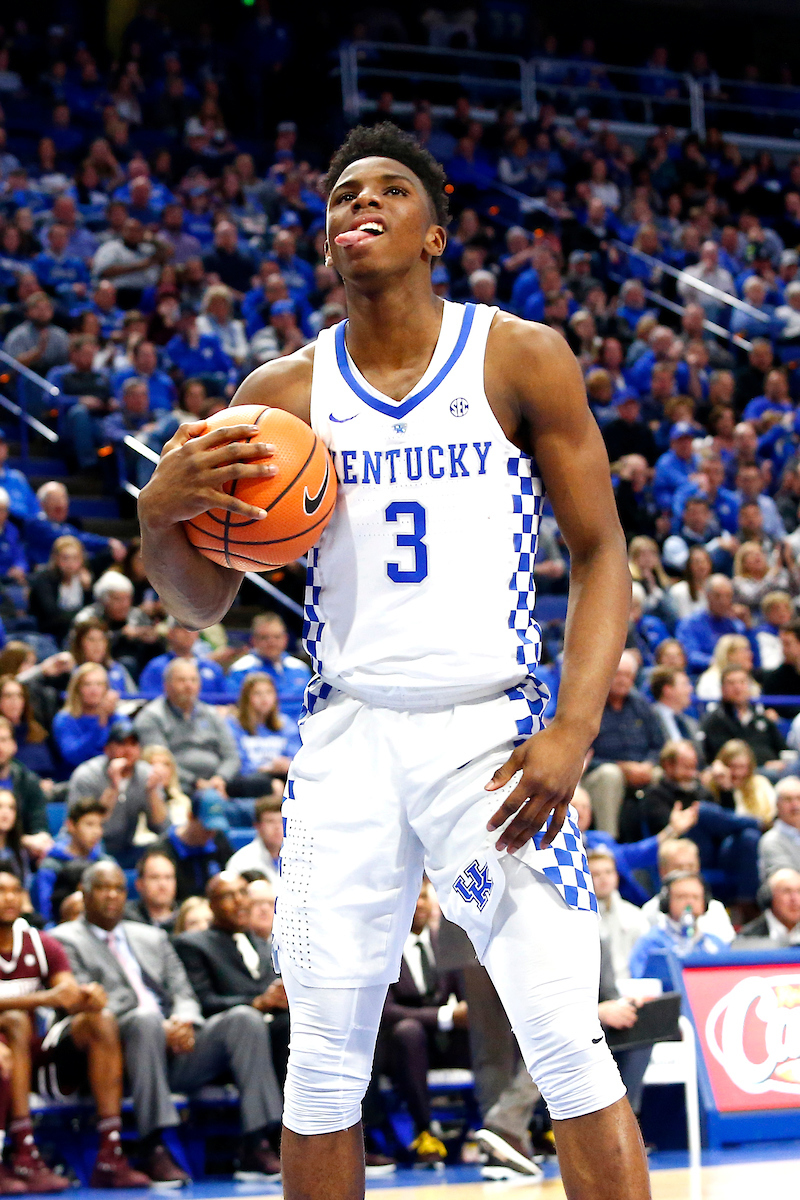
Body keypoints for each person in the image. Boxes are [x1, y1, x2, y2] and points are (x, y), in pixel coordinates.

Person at [138, 123, 649, 1199]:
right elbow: (203, 606)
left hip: (492, 734)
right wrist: (158, 526)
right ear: (324, 243)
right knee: (322, 1065)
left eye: (386, 189)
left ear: (434, 230)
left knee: (564, 1042)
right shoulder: (276, 393)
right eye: (340, 197)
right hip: (348, 739)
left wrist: (572, 729)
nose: (357, 204)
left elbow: (601, 552)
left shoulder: (518, 354)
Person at [54, 860, 282, 1184]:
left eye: (118, 888)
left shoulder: (151, 936)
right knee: (146, 1020)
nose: (111, 896)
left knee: (244, 1018)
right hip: (118, 1054)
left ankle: (257, 1140)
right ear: (85, 893)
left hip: (176, 1047)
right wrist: (160, 1026)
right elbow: (87, 1000)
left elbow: (183, 991)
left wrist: (184, 1021)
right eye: (103, 888)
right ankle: (154, 1145)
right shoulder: (63, 939)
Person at [0, 870, 150, 1190]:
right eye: (1, 891)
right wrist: (42, 998)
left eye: (15, 890)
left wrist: (87, 996)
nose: (9, 898)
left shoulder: (42, 945)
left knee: (101, 1020)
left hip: (38, 1054)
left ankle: (110, 1153)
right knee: (13, 1023)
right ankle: (23, 1154)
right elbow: (51, 996)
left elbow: (66, 993)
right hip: (7, 1051)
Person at [172, 872, 286, 1160]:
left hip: (266, 1039)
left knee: (294, 1027)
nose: (239, 902)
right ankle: (258, 1139)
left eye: (242, 894)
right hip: (216, 1042)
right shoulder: (193, 944)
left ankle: (311, 1133)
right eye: (227, 896)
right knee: (246, 1019)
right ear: (211, 906)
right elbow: (202, 1002)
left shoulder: (263, 943)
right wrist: (258, 1002)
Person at [375, 878, 468, 1166]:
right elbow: (386, 1011)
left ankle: (510, 1126)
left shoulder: (446, 943)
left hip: (443, 1041)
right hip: (397, 1045)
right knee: (408, 1031)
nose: (419, 904)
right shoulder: (382, 946)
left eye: (424, 896)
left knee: (495, 1028)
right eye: (411, 896)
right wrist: (444, 1016)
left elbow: (465, 998)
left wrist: (468, 1012)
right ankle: (424, 1131)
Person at [581, 650, 665, 836]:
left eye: (627, 675)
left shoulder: (642, 705)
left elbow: (658, 745)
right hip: (598, 773)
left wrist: (648, 765)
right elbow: (580, 755)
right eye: (617, 674)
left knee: (661, 775)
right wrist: (621, 767)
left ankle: (664, 840)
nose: (622, 680)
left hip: (642, 768)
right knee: (611, 775)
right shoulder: (590, 706)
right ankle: (607, 841)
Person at [65, 720, 169, 866]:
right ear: (107, 749)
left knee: (163, 850)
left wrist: (152, 792)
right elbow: (83, 825)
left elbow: (161, 826)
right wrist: (114, 787)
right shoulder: (87, 775)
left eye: (133, 744)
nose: (128, 750)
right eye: (122, 744)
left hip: (125, 848)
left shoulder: (146, 774)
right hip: (88, 848)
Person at [134, 659, 239, 797]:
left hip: (218, 781)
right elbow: (159, 761)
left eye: (193, 680)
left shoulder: (212, 714)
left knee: (263, 786)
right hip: (178, 784)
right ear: (166, 685)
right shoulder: (151, 717)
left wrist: (220, 778)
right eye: (182, 680)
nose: (188, 686)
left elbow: (232, 756)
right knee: (209, 798)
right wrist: (196, 782)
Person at [629, 872, 727, 986]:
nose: (689, 902)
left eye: (695, 897)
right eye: (682, 897)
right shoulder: (650, 943)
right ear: (666, 902)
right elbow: (640, 984)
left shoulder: (715, 945)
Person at [32, 797, 110, 926]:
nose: (97, 832)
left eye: (100, 825)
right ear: (71, 825)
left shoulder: (105, 863)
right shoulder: (50, 866)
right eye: (89, 824)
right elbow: (45, 914)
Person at [639, 839, 735, 943]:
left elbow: (724, 951)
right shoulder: (650, 911)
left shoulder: (715, 909)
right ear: (663, 871)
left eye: (691, 867)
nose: (686, 873)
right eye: (678, 868)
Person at [149, 792, 233, 903]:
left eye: (215, 828)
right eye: (206, 828)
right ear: (190, 817)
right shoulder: (163, 850)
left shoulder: (219, 840)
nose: (211, 833)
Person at [226, 614, 311, 724]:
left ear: (286, 638)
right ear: (253, 640)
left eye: (277, 637)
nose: (271, 642)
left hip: (300, 729)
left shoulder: (300, 669)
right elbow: (235, 708)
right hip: (258, 731)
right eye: (264, 637)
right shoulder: (240, 670)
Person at [699, 667, 786, 769]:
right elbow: (724, 757)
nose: (738, 687)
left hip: (775, 770)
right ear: (722, 689)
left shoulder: (762, 718)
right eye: (731, 683)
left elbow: (783, 749)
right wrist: (763, 765)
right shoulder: (715, 721)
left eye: (742, 682)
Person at [226, 672, 300, 789]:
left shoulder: (286, 724)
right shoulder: (233, 725)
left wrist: (286, 763)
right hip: (248, 780)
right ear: (246, 697)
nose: (264, 698)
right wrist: (266, 768)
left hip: (282, 776)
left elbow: (296, 756)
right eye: (257, 693)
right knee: (275, 787)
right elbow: (236, 761)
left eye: (269, 692)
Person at [587, 849, 649, 982]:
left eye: (608, 872)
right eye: (596, 874)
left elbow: (645, 957)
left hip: (632, 986)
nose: (603, 878)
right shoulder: (579, 918)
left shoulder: (635, 915)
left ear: (616, 876)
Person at [0, 720, 52, 867]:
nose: (0, 746)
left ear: (14, 745)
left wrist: (41, 840)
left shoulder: (28, 781)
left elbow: (39, 824)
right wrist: (24, 840)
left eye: (4, 740)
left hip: (21, 853)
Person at [52, 663, 120, 773]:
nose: (94, 690)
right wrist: (99, 725)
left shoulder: (117, 717)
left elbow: (127, 751)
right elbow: (73, 756)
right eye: (87, 684)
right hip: (74, 776)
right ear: (77, 689)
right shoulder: (65, 719)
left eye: (99, 684)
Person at [675, 575, 750, 674]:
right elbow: (690, 656)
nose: (723, 601)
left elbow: (750, 655)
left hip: (736, 675)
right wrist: (720, 663)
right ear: (707, 596)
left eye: (728, 596)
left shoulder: (736, 625)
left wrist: (749, 626)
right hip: (702, 675)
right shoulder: (689, 624)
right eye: (717, 596)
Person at [27, 535, 94, 644]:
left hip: (78, 632)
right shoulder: (44, 579)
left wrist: (87, 590)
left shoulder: (85, 579)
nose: (70, 563)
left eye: (75, 558)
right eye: (65, 558)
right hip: (48, 634)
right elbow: (52, 614)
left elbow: (91, 610)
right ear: (56, 558)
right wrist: (81, 618)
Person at [138, 619, 227, 699]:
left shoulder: (212, 667)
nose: (188, 633)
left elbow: (226, 700)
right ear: (170, 633)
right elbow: (149, 699)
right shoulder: (157, 667)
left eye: (194, 629)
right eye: (182, 628)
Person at [704, 739, 777, 824]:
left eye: (742, 767)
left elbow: (770, 817)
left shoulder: (760, 783)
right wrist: (725, 788)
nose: (738, 773)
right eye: (733, 766)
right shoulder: (710, 787)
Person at [67, 618, 136, 697]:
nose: (97, 645)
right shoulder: (71, 671)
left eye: (101, 640)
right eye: (91, 640)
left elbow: (134, 697)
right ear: (80, 644)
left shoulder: (118, 669)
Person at [0, 678, 53, 780]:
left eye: (19, 695)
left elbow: (50, 770)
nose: (14, 701)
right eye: (8, 696)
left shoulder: (37, 731)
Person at [225, 795, 282, 884]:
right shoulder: (240, 861)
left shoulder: (303, 856)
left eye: (282, 822)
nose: (277, 827)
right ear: (257, 826)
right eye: (270, 821)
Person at [739, 868, 800, 944]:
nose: (795, 899)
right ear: (769, 897)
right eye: (787, 891)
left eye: (799, 891)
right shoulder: (747, 937)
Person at [124, 849, 178, 932]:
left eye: (168, 877)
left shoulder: (186, 917)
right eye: (155, 877)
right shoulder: (125, 918)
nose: (163, 884)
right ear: (139, 884)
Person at [696, 633, 758, 703]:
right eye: (744, 651)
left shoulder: (750, 680)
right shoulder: (710, 679)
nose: (750, 655)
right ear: (729, 655)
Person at [758, 776, 800, 879]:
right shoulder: (771, 841)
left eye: (799, 798)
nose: (795, 805)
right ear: (777, 805)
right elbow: (788, 881)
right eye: (788, 799)